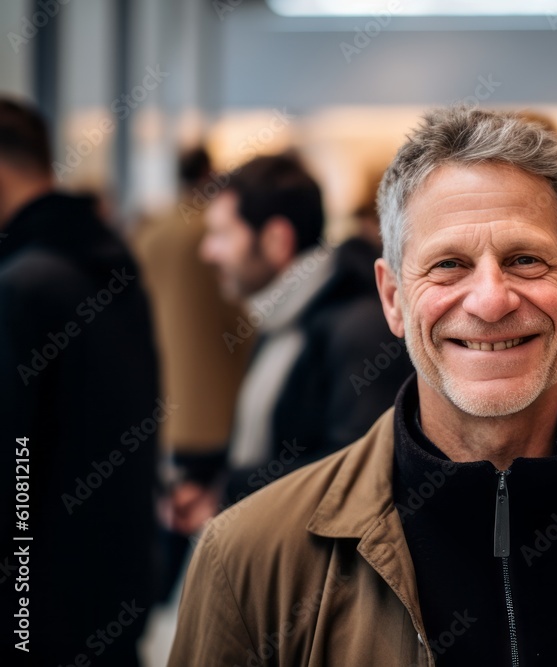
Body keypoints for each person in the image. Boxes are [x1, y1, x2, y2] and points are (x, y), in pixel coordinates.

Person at [168, 107, 557, 666]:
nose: (492, 299)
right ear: (393, 298)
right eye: (449, 265)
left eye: (526, 259)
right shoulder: (248, 560)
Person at [165, 154, 411, 535]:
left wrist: (229, 491)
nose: (208, 252)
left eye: (223, 235)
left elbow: (357, 467)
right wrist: (204, 474)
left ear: (277, 240)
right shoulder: (282, 318)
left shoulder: (359, 326)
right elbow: (281, 445)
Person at [0, 98, 159, 665]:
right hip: (112, 591)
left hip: (36, 615)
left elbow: (15, 466)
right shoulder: (112, 263)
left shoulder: (24, 284)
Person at [130, 147, 253, 601]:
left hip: (160, 406)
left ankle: (154, 605)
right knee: (217, 532)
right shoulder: (215, 233)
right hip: (215, 407)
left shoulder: (149, 233)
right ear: (208, 173)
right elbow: (240, 325)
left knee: (168, 521)